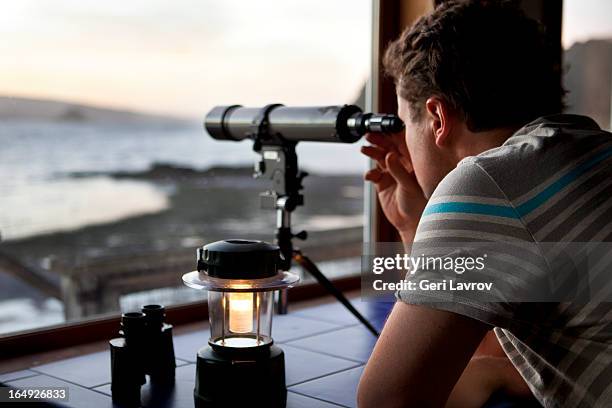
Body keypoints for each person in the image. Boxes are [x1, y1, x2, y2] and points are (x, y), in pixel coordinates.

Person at [357, 1, 612, 407]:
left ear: (437, 118)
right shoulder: (592, 147)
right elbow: (495, 341)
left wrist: (445, 211)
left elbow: (385, 399)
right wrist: (414, 225)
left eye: (406, 126)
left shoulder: (487, 182)